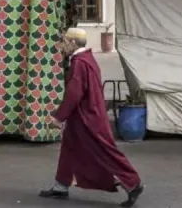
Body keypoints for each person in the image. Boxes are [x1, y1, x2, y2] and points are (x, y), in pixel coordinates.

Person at [39, 28, 144, 207]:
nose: (62, 47)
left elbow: (74, 93)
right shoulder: (87, 59)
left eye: (64, 42)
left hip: (87, 118)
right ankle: (61, 186)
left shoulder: (79, 63)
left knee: (104, 152)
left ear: (72, 43)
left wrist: (59, 117)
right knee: (70, 149)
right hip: (86, 115)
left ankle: (133, 183)